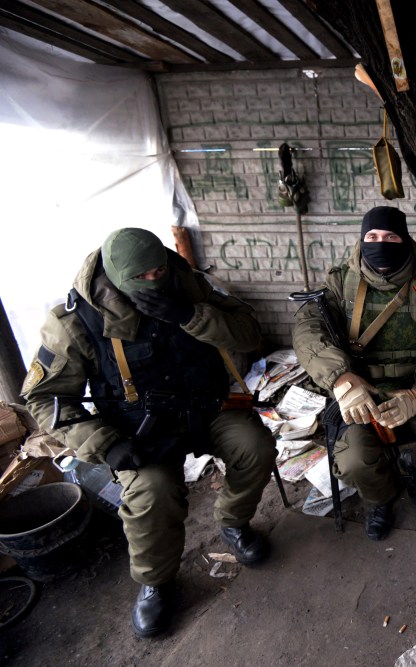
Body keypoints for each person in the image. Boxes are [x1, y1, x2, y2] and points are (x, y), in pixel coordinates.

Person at [21, 228, 277, 638]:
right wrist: (105, 445)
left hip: (206, 406)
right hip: (139, 429)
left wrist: (189, 314)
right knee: (152, 494)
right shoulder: (75, 319)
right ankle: (156, 581)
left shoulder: (187, 282)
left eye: (162, 269)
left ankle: (234, 522)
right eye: (146, 277)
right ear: (120, 278)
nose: (158, 280)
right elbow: (44, 400)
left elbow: (248, 331)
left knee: (257, 447)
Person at [292, 206, 416, 541]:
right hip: (364, 396)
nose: (380, 243)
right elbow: (307, 330)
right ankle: (381, 498)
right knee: (355, 461)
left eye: (391, 237)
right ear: (362, 240)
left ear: (405, 240)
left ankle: (412, 466)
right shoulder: (340, 283)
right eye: (372, 237)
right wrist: (341, 380)